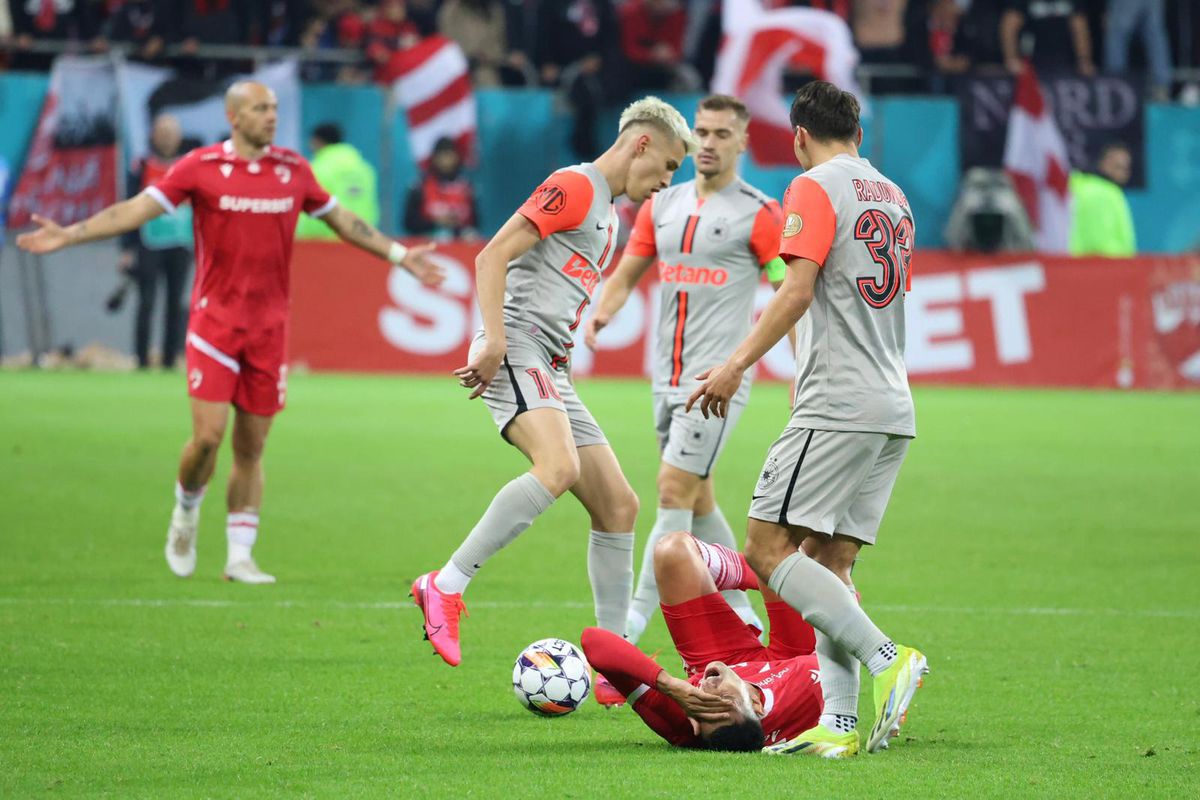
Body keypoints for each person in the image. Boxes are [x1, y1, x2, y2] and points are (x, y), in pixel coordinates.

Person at [16, 81, 443, 584]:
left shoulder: (293, 170)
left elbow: (344, 221)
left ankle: (240, 555)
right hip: (214, 325)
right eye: (261, 108)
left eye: (275, 108)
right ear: (234, 116)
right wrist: (72, 233)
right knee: (207, 440)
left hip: (269, 329)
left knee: (251, 447)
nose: (271, 116)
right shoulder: (201, 168)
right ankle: (185, 512)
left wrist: (399, 255)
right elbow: (138, 209)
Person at [410, 97, 696, 688]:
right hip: (515, 347)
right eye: (668, 166)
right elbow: (492, 256)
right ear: (641, 143)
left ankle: (617, 661)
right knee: (558, 467)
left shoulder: (609, 213)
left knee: (619, 506)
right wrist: (492, 339)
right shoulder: (575, 186)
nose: (668, 181)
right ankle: (445, 585)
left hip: (550, 365)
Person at [687, 81, 927, 757]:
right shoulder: (893, 195)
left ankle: (888, 658)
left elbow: (796, 290)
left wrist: (735, 364)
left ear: (798, 135)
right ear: (858, 130)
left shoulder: (814, 186)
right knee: (829, 558)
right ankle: (841, 725)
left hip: (837, 398)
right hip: (891, 402)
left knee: (767, 548)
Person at [584, 93, 788, 648]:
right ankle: (746, 612)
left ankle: (630, 625)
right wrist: (605, 308)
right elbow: (628, 270)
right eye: (702, 132)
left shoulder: (760, 214)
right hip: (663, 380)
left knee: (672, 490)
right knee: (698, 501)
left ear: (743, 141)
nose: (709, 143)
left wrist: (800, 371)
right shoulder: (661, 205)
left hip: (716, 385)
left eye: (723, 133)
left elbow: (788, 291)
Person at [581, 530, 825, 752]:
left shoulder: (679, 718)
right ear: (755, 705)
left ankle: (764, 570)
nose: (709, 691)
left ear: (694, 724)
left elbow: (593, 641)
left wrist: (669, 685)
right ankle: (762, 570)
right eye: (725, 700)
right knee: (791, 552)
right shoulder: (805, 685)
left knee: (672, 550)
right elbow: (837, 651)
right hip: (792, 655)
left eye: (704, 708)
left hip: (724, 657)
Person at [118, 114, 193, 370]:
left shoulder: (188, 166)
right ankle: (141, 360)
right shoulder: (141, 166)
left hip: (180, 244)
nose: (167, 138)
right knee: (147, 301)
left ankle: (170, 360)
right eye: (162, 133)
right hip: (148, 243)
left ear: (179, 137)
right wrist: (127, 248)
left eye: (171, 133)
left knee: (175, 302)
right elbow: (128, 207)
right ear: (153, 135)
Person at [295, 122, 380, 241]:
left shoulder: (315, 169)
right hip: (363, 242)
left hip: (322, 244)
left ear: (317, 141)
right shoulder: (365, 169)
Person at [403, 136, 479, 239]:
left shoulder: (466, 187)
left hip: (460, 245)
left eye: (449, 156)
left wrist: (456, 225)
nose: (446, 161)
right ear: (434, 158)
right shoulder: (420, 186)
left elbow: (476, 222)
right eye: (442, 156)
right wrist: (436, 222)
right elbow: (409, 223)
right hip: (429, 244)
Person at [1069, 141, 1136, 258]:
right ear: (1103, 162)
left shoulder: (1082, 188)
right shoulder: (1103, 194)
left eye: (1126, 168)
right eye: (1118, 166)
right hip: (1104, 270)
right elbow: (1099, 246)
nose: (1124, 173)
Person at [1000, 0, 1094, 77]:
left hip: (1066, 63)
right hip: (1031, 65)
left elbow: (1080, 29)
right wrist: (1011, 58)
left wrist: (1084, 60)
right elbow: (1009, 27)